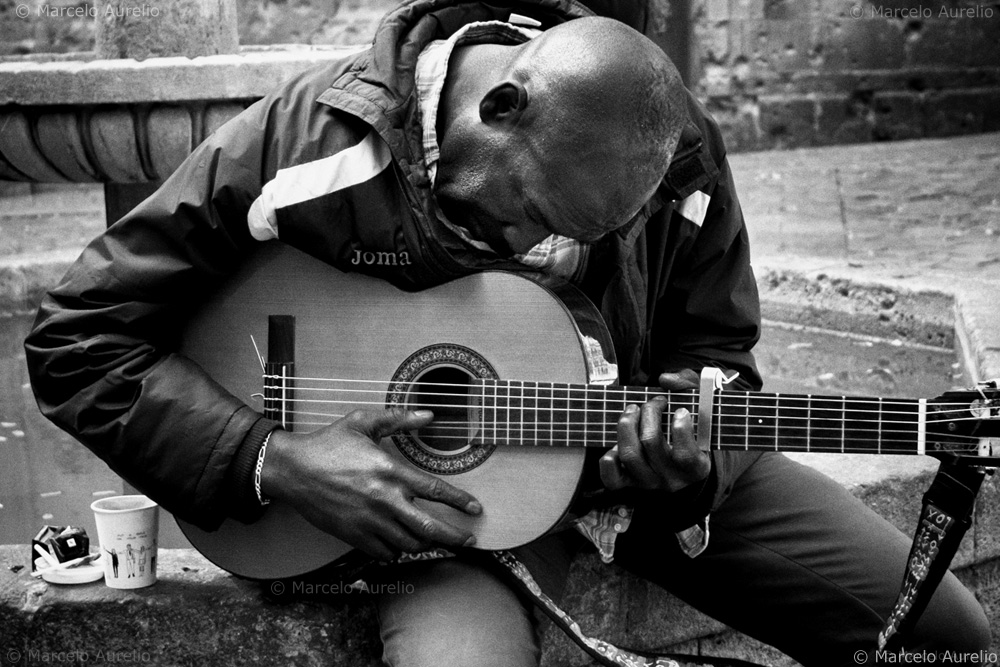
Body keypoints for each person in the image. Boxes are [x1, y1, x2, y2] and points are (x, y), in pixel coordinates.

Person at [24, 0, 989, 665]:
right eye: (531, 208)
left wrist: (690, 466)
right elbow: (76, 339)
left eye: (584, 232)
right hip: (433, 529)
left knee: (945, 636)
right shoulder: (310, 143)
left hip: (629, 493)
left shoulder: (669, 144)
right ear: (500, 109)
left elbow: (718, 357)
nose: (545, 246)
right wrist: (273, 459)